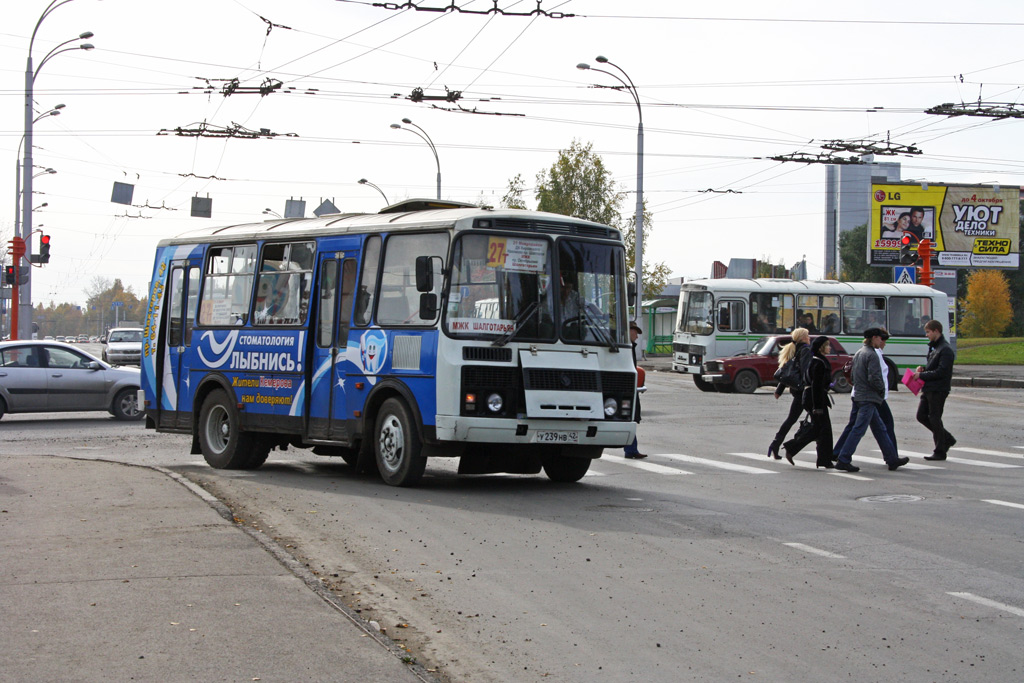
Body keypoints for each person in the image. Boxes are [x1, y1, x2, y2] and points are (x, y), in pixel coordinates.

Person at [832, 328, 909, 473]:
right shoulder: (872, 355)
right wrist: (881, 391)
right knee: (859, 429)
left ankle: (892, 459)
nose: (882, 341)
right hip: (868, 397)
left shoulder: (860, 352)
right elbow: (875, 377)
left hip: (859, 395)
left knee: (880, 428)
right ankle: (843, 459)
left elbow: (852, 376)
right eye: (881, 338)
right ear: (874, 338)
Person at [782, 335, 835, 468]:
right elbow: (816, 385)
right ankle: (792, 447)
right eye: (827, 345)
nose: (830, 347)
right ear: (821, 348)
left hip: (813, 397)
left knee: (820, 429)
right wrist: (817, 407)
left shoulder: (817, 360)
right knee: (822, 430)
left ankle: (823, 459)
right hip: (815, 399)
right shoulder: (819, 362)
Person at [912, 319, 956, 461]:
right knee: (921, 416)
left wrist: (921, 375)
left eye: (928, 332)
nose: (927, 335)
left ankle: (940, 451)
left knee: (935, 418)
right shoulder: (935, 348)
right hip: (929, 388)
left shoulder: (945, 349)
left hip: (938, 389)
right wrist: (923, 369)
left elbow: (942, 372)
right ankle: (946, 438)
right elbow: (933, 367)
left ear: (936, 331)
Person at [767, 328, 811, 459]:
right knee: (818, 422)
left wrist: (779, 390)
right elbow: (804, 372)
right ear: (803, 338)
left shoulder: (794, 348)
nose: (809, 338)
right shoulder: (806, 350)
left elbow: (789, 372)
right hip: (804, 391)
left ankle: (775, 444)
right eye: (807, 336)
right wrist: (808, 387)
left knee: (791, 419)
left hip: (797, 391)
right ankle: (790, 446)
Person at [624, 320, 647, 459]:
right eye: (635, 332)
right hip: (627, 389)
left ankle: (631, 449)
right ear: (628, 331)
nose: (637, 336)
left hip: (631, 388)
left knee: (632, 418)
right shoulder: (626, 348)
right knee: (630, 418)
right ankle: (631, 449)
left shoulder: (630, 347)